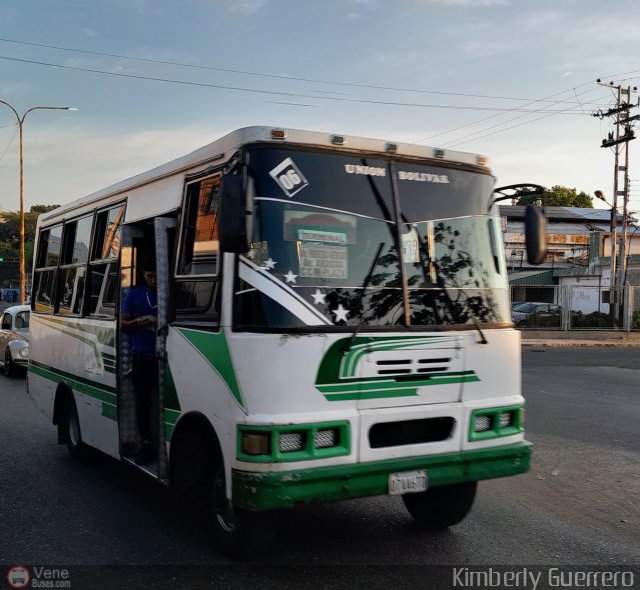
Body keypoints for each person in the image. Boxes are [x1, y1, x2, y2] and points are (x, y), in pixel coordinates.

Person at [121, 255, 158, 465]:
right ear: (144, 275)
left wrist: (157, 320)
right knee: (142, 404)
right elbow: (123, 322)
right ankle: (145, 444)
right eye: (149, 276)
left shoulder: (169, 294)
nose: (153, 280)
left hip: (165, 356)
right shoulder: (135, 295)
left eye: (156, 276)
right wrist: (136, 322)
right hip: (141, 356)